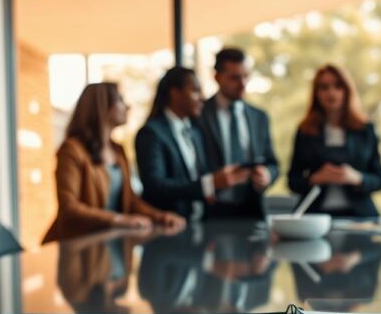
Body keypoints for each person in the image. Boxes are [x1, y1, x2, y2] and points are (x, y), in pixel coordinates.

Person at [42, 82, 184, 244]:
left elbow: (129, 199)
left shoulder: (118, 150)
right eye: (121, 100)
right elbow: (69, 207)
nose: (127, 107)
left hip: (111, 242)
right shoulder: (72, 150)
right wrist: (118, 219)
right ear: (103, 106)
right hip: (78, 248)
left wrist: (159, 216)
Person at [135, 67, 250, 221]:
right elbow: (155, 185)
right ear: (175, 93)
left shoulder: (195, 132)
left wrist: (218, 181)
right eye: (195, 91)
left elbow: (197, 178)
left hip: (198, 225)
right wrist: (208, 184)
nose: (202, 98)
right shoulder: (151, 133)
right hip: (167, 227)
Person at [287, 64, 381, 218]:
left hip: (359, 216)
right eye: (324, 87)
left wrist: (356, 178)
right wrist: (315, 178)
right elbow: (292, 181)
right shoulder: (305, 130)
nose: (331, 93)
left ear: (347, 90)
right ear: (316, 93)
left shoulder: (365, 130)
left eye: (338, 86)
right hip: (315, 216)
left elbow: (379, 180)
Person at [198, 48, 279, 219]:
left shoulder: (259, 117)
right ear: (217, 77)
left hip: (253, 210)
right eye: (235, 78)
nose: (243, 83)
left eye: (246, 76)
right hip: (212, 211)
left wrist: (267, 175)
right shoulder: (199, 114)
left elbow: (273, 163)